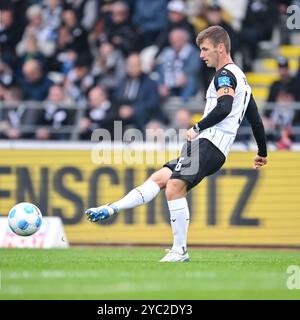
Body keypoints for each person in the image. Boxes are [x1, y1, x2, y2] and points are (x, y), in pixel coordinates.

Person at [85, 26, 268, 262]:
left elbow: (223, 107)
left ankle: (179, 250)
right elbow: (255, 119)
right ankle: (112, 208)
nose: (201, 55)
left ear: (221, 48)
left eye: (205, 49)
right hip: (209, 146)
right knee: (160, 178)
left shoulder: (224, 75)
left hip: (210, 144)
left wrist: (197, 126)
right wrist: (262, 152)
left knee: (173, 188)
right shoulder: (241, 79)